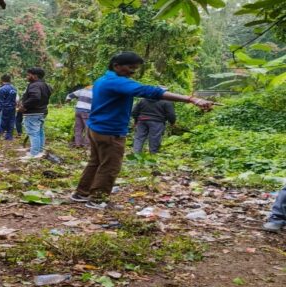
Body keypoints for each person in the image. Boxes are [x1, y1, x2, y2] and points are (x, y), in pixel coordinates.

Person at [70, 52, 213, 208]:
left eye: (135, 69)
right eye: (130, 68)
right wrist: (191, 99)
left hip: (97, 128)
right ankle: (97, 200)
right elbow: (150, 91)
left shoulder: (103, 79)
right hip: (110, 131)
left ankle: (81, 193)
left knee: (95, 162)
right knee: (110, 166)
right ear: (117, 66)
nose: (133, 72)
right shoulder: (116, 82)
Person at [18, 67, 53, 160]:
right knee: (39, 132)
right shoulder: (46, 85)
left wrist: (24, 106)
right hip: (42, 111)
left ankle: (34, 153)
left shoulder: (34, 85)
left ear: (34, 76)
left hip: (33, 113)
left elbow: (35, 97)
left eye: (29, 75)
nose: (27, 77)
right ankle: (39, 151)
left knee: (33, 133)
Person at [0, 74, 17, 140]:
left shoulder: (2, 89)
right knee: (11, 122)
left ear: (2, 80)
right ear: (10, 80)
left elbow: (1, 101)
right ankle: (9, 136)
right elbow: (15, 99)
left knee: (1, 122)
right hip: (12, 108)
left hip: (4, 108)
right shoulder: (14, 88)